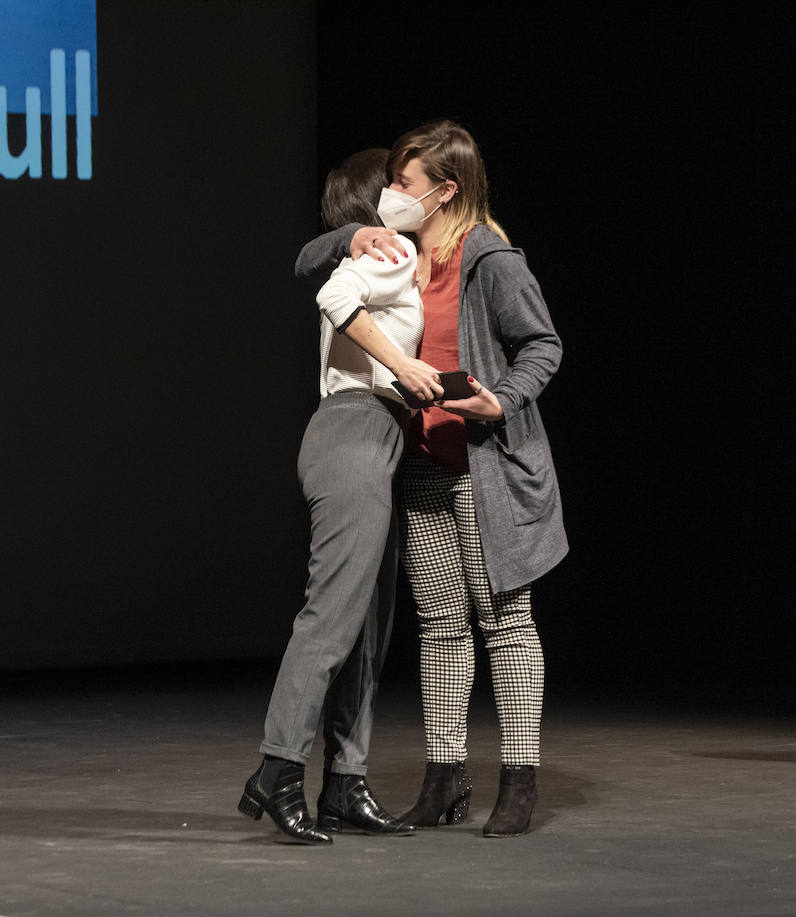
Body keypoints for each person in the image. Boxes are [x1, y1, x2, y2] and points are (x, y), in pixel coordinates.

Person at [295, 121, 567, 838]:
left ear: (445, 191)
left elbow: (543, 344)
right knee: (442, 625)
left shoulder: (491, 257)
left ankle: (519, 778)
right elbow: (317, 263)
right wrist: (349, 240)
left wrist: (500, 398)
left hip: (485, 464)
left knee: (505, 622)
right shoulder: (405, 254)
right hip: (423, 461)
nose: (391, 195)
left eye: (404, 184)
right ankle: (445, 778)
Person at [239, 148, 446, 844]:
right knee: (332, 617)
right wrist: (405, 366)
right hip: (355, 432)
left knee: (369, 628)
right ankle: (278, 768)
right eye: (390, 181)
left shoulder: (390, 257)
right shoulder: (380, 252)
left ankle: (347, 784)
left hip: (374, 440)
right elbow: (327, 289)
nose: (399, 191)